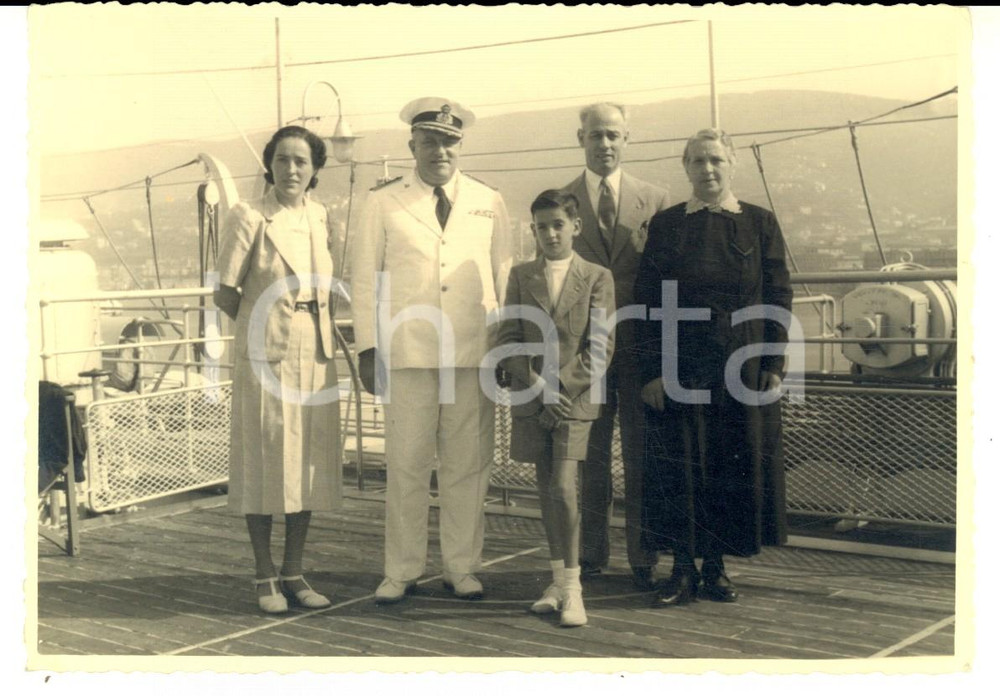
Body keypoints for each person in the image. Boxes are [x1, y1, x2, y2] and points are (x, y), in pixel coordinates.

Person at [349, 97, 513, 604]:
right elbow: (364, 280)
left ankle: (461, 567)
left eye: (448, 141)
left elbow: (504, 276)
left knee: (468, 465)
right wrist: (368, 348)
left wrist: (506, 347)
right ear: (412, 146)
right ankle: (401, 569)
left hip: (472, 353)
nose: (439, 150)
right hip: (408, 354)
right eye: (429, 142)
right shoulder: (382, 202)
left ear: (460, 145)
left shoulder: (489, 200)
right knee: (407, 465)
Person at [634, 128, 793, 607]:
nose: (707, 169)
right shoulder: (667, 225)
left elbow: (778, 294)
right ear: (685, 167)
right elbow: (646, 302)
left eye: (716, 160)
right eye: (698, 161)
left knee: (727, 464)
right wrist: (651, 372)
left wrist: (773, 363)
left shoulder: (759, 222)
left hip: (740, 366)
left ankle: (715, 568)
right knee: (681, 467)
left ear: (732, 164)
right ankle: (681, 569)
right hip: (680, 363)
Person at [214, 125, 342, 614]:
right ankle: (264, 573)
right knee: (264, 460)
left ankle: (294, 570)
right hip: (266, 353)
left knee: (306, 462)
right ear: (269, 165)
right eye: (283, 160)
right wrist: (261, 328)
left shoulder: (320, 215)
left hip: (316, 350)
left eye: (301, 161)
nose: (291, 169)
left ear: (315, 169)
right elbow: (225, 292)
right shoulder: (249, 215)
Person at [562, 102, 670, 589]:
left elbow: (666, 283)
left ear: (627, 138)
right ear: (580, 138)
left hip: (639, 350)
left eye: (613, 135)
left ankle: (644, 556)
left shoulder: (656, 200)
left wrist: (661, 357)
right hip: (586, 353)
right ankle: (590, 555)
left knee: (643, 454)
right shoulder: (562, 203)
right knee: (591, 456)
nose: (604, 143)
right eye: (595, 135)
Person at [498, 190, 615, 627]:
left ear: (575, 227)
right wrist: (538, 387)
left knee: (565, 488)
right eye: (541, 227)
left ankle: (574, 589)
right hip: (533, 398)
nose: (549, 234)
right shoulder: (521, 275)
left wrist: (559, 390)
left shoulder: (597, 277)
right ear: (533, 230)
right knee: (546, 490)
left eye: (558, 225)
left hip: (574, 401)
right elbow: (508, 339)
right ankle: (556, 582)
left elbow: (600, 346)